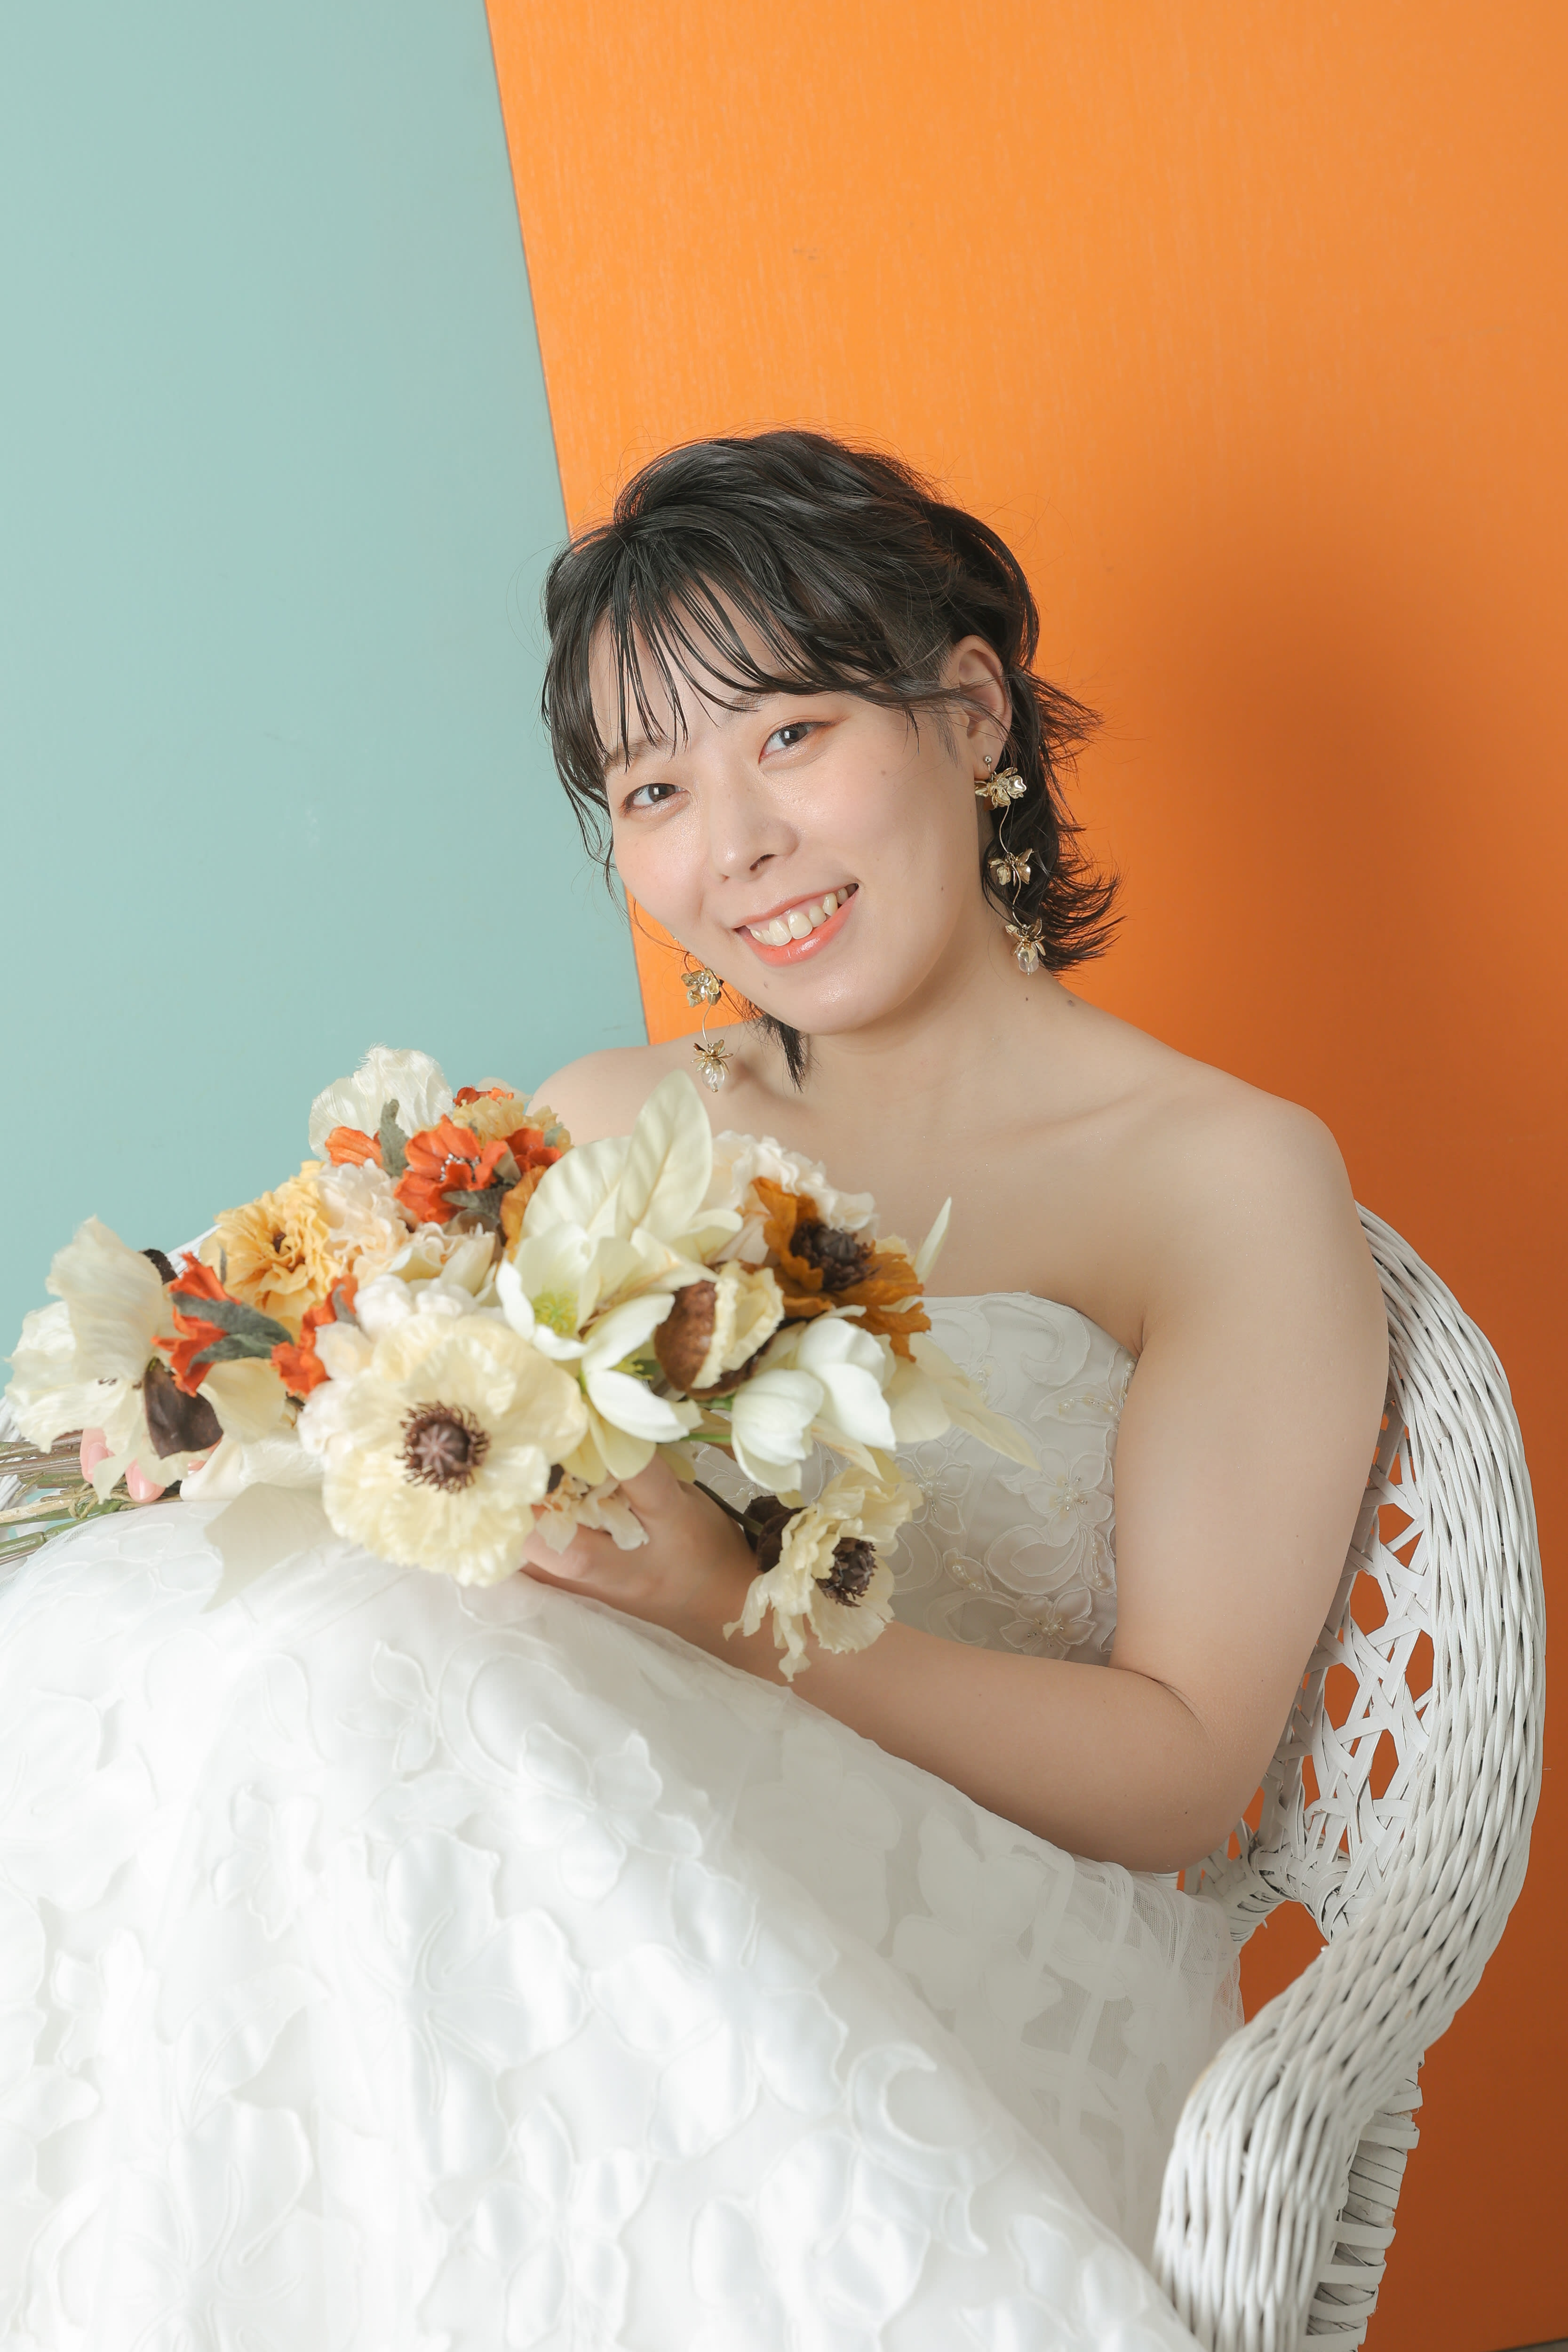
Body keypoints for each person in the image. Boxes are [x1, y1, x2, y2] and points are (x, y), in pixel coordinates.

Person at [0, 430, 1387, 2350]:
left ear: (973, 713)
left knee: (361, 1692)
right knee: (250, 1655)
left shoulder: (1220, 1176)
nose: (732, 844)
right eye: (654, 788)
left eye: (792, 733)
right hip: (508, 1843)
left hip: (953, 1927)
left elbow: (1181, 1768)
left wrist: (737, 1611)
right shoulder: (611, 1118)